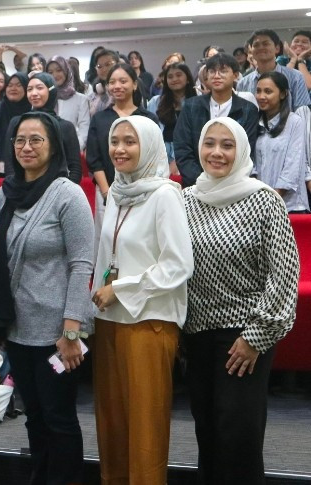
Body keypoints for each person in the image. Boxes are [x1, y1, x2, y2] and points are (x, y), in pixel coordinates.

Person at [183, 117, 299, 485]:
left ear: (242, 151)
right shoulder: (185, 199)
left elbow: (285, 273)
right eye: (210, 143)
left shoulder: (264, 201)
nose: (217, 153)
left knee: (239, 439)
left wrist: (256, 337)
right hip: (196, 335)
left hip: (245, 338)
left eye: (227, 145)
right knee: (207, 433)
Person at [0, 110, 94, 485]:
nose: (27, 147)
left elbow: (83, 265)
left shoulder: (67, 194)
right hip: (18, 329)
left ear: (53, 146)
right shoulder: (6, 192)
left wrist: (71, 333)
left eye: (36, 140)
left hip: (57, 335)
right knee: (34, 414)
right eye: (20, 140)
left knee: (58, 417)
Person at [90, 115, 193, 485]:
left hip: (148, 322)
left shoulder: (165, 194)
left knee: (145, 432)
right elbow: (108, 255)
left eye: (129, 142)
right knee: (113, 427)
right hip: (111, 322)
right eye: (115, 141)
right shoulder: (118, 190)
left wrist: (121, 288)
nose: (119, 149)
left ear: (148, 145)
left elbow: (178, 264)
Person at [86, 62, 159, 252]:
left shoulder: (148, 118)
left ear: (135, 84)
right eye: (112, 82)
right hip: (108, 192)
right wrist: (106, 193)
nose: (117, 86)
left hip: (144, 192)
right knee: (109, 244)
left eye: (123, 81)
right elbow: (94, 159)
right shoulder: (100, 118)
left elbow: (154, 156)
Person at [174, 53, 260, 187]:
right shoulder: (191, 106)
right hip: (196, 185)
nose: (217, 76)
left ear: (236, 75)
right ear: (206, 76)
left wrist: (226, 183)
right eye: (212, 71)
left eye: (223, 71)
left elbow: (246, 151)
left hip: (234, 185)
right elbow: (182, 147)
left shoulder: (248, 109)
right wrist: (201, 180)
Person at [253, 71, 310, 212]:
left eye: (268, 91)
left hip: (290, 206)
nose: (261, 96)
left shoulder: (294, 122)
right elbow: (251, 163)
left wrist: (273, 200)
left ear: (283, 94)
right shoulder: (255, 122)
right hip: (260, 205)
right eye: (258, 91)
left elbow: (293, 164)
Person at [18, 73, 82, 182]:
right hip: (25, 190)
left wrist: (65, 192)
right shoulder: (19, 123)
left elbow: (75, 168)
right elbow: (12, 166)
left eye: (39, 88)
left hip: (60, 190)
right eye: (29, 89)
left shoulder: (65, 127)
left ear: (51, 90)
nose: (33, 93)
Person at [237, 29, 311, 110]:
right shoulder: (243, 83)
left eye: (266, 44)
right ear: (251, 50)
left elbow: (302, 112)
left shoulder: (295, 77)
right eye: (256, 45)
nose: (261, 47)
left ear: (277, 48)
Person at [147, 62, 198, 172]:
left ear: (188, 78)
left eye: (179, 75)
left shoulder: (197, 101)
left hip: (189, 154)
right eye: (170, 77)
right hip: (161, 153)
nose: (174, 79)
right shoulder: (155, 102)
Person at [46, 56, 90, 150]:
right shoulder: (44, 98)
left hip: (72, 151)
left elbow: (84, 131)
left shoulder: (81, 99)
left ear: (66, 71)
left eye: (59, 70)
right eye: (50, 72)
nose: (55, 75)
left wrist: (73, 149)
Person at [0, 72, 29, 150]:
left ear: (26, 88)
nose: (13, 88)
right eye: (9, 85)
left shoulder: (32, 110)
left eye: (19, 85)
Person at [87, 49, 119, 116]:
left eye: (108, 64)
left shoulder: (126, 90)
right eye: (99, 66)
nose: (104, 69)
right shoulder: (93, 96)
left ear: (117, 64)